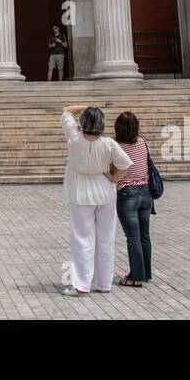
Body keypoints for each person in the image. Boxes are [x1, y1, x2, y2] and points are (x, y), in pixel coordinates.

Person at [60, 105, 131, 297]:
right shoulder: (109, 143)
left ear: (82, 123)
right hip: (105, 192)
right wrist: (114, 178)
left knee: (82, 239)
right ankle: (104, 283)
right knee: (106, 239)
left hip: (81, 193)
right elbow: (125, 163)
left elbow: (66, 110)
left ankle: (82, 284)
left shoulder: (74, 138)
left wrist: (87, 106)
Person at [112, 112, 153, 287]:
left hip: (127, 193)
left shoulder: (115, 145)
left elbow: (114, 170)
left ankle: (136, 276)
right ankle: (145, 272)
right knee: (144, 235)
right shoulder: (143, 142)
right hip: (146, 193)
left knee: (133, 237)